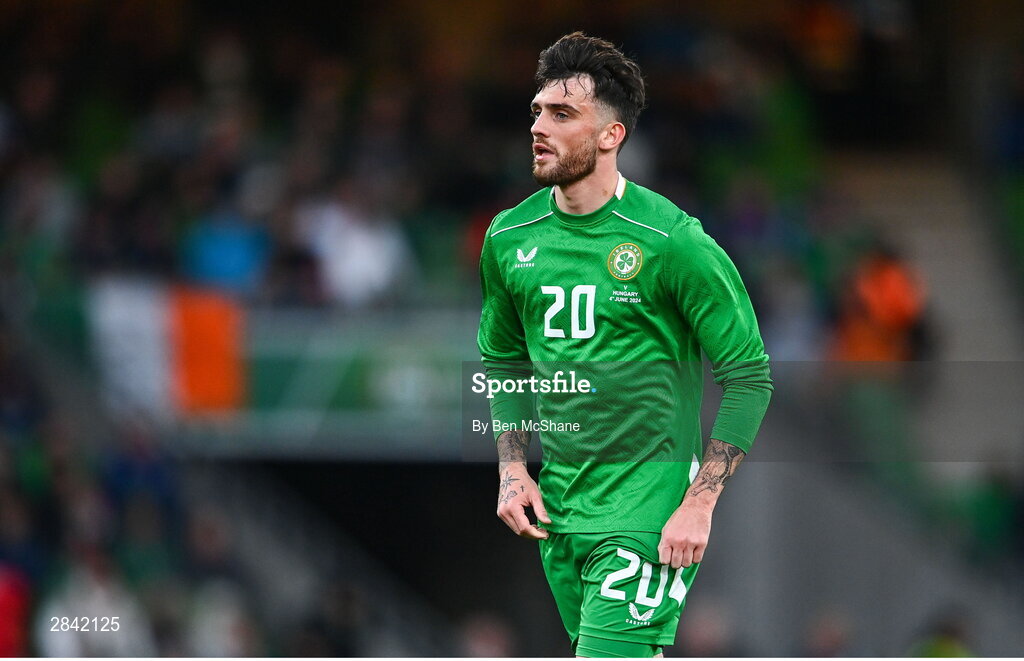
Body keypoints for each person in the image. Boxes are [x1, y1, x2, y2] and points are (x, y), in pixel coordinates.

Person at [476, 32, 773, 658]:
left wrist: (700, 503)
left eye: (562, 115)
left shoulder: (672, 242)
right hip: (560, 508)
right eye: (537, 111)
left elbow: (749, 376)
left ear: (611, 136)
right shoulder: (509, 237)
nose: (539, 126)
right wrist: (511, 467)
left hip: (650, 508)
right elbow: (505, 358)